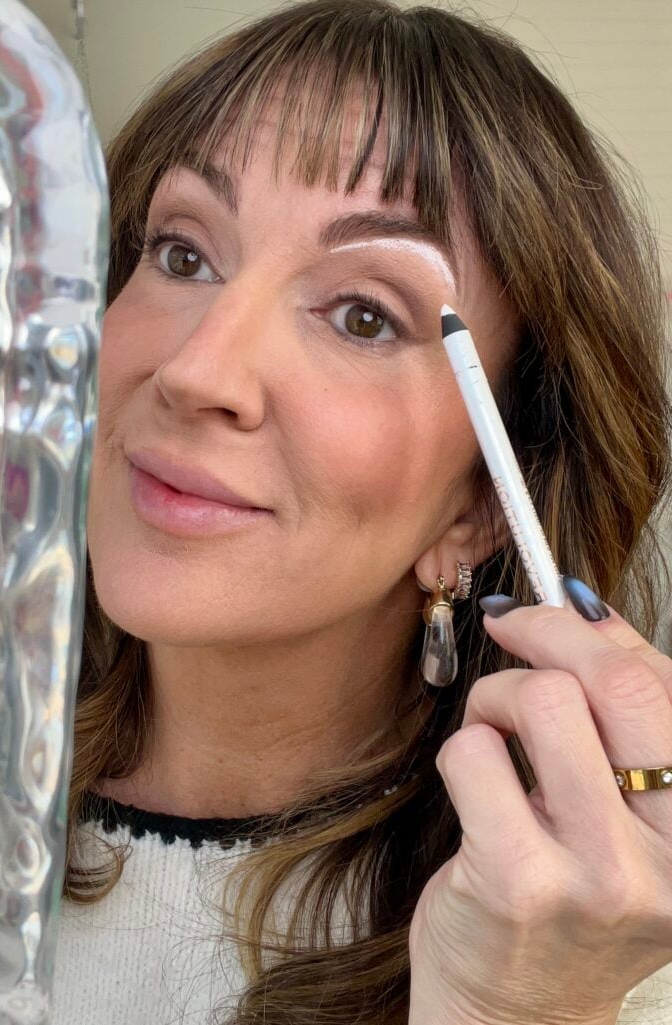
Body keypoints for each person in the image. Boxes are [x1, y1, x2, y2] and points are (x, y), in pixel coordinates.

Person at [51, 2, 672, 1023]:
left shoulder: (611, 953)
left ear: (478, 507)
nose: (197, 369)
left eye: (363, 315)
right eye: (181, 253)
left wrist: (516, 1005)